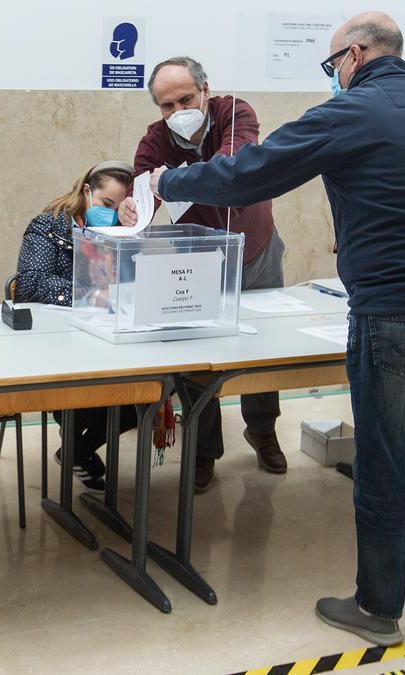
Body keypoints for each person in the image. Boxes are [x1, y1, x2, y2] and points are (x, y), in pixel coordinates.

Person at [149, 12, 405, 645]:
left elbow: (250, 173)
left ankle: (376, 608)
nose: (334, 75)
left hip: (393, 312)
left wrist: (169, 181)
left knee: (384, 463)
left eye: (333, 64)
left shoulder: (346, 114)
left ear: (356, 54)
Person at [120, 56, 287, 492]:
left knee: (263, 350)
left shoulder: (236, 113)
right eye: (166, 105)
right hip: (197, 261)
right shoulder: (156, 140)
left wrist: (170, 180)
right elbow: (143, 187)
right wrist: (132, 206)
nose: (177, 112)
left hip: (255, 249)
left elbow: (232, 166)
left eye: (185, 99)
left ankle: (262, 430)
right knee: (200, 358)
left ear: (206, 90)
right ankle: (202, 451)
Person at [15, 161, 139, 491]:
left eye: (119, 208)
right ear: (86, 191)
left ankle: (74, 451)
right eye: (105, 204)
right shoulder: (49, 225)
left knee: (146, 395)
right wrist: (93, 293)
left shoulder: (125, 232)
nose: (111, 214)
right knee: (81, 398)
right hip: (54, 339)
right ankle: (78, 449)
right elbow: (30, 283)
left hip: (107, 334)